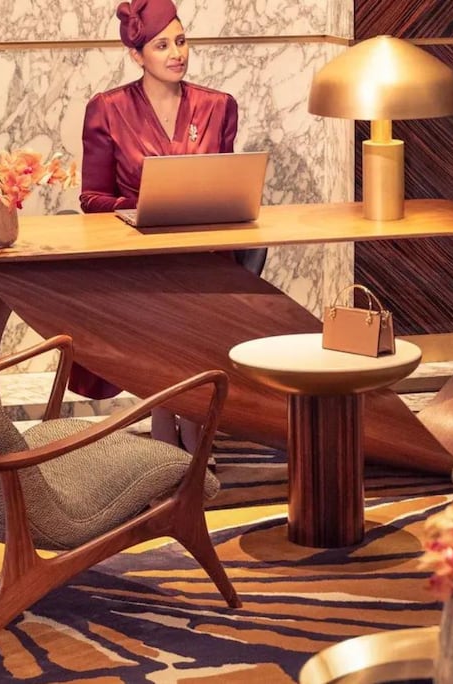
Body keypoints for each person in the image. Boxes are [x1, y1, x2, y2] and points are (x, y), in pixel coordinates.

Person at [76, 0, 266, 449]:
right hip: (140, 256)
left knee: (200, 302)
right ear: (137, 55)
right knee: (162, 310)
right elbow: (91, 197)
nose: (177, 53)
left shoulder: (219, 106)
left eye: (181, 41)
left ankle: (190, 431)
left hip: (204, 254)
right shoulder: (107, 108)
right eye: (162, 46)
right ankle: (171, 429)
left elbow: (224, 181)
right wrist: (146, 206)